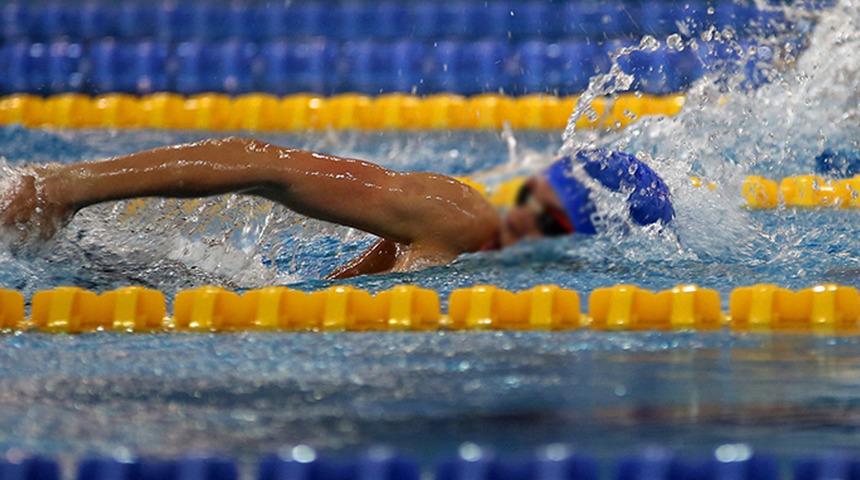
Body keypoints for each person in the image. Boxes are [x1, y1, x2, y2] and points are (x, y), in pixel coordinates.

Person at [0, 137, 674, 279]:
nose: (524, 219)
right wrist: (66, 187)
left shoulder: (490, 253)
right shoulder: (460, 216)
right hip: (202, 298)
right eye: (535, 202)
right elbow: (262, 162)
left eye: (548, 218)